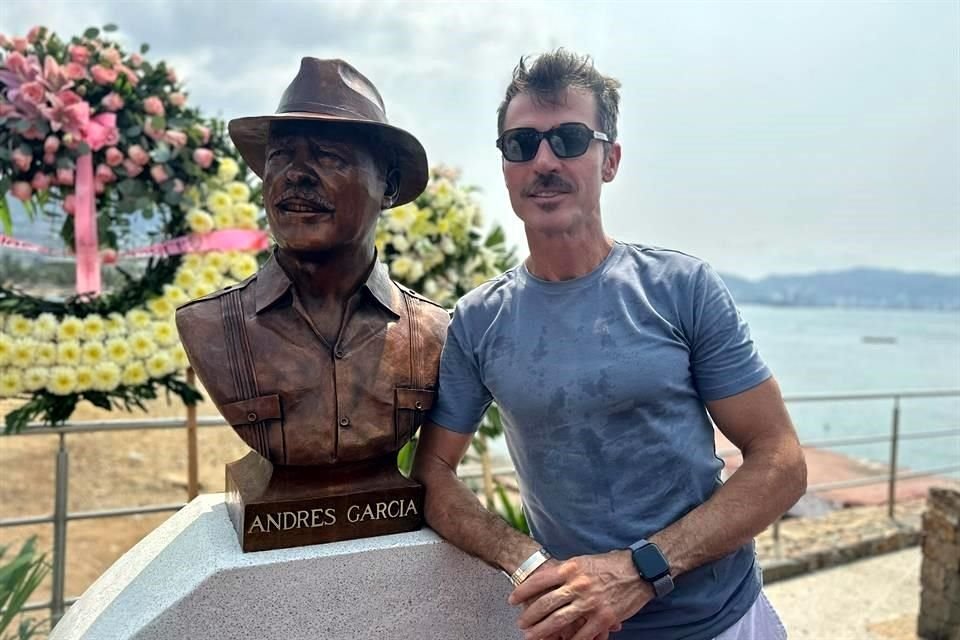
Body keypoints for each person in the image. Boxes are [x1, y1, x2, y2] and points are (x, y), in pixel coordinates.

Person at [411, 50, 806, 640]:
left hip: (722, 622)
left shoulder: (680, 288)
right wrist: (527, 560)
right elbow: (434, 472)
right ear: (505, 168)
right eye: (521, 145)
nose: (543, 161)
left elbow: (781, 461)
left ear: (611, 159)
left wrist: (641, 570)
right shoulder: (476, 320)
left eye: (568, 139)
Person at [177, 57, 448, 468]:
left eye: (328, 157)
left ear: (388, 186)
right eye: (281, 156)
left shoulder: (433, 333)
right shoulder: (209, 325)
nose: (296, 174)